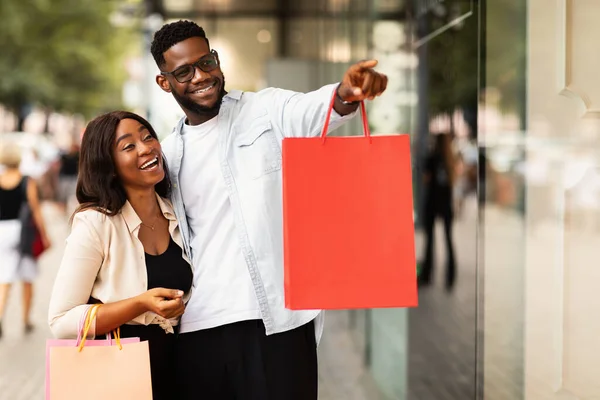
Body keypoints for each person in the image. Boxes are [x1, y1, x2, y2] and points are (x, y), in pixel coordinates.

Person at [150, 20, 388, 399]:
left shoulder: (265, 110)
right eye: (184, 71)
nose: (201, 76)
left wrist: (346, 93)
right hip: (198, 330)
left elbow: (317, 109)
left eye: (207, 61)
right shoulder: (168, 154)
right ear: (165, 82)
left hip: (276, 323)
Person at [47, 111, 193, 400]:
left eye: (147, 136)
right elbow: (61, 321)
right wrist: (140, 303)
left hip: (181, 365)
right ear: (109, 166)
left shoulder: (178, 213)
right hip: (119, 368)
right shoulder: (96, 223)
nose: (146, 147)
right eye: (129, 146)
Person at [0, 141, 50, 338]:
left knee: (4, 277)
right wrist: (45, 235)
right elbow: (35, 210)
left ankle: (1, 313)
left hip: (2, 231)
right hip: (22, 232)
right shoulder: (26, 180)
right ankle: (26, 319)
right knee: (27, 276)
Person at [419, 133, 457, 290]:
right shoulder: (451, 161)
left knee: (430, 241)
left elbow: (426, 179)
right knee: (448, 239)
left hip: (432, 203)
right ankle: (450, 276)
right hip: (446, 205)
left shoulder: (432, 158)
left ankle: (428, 274)